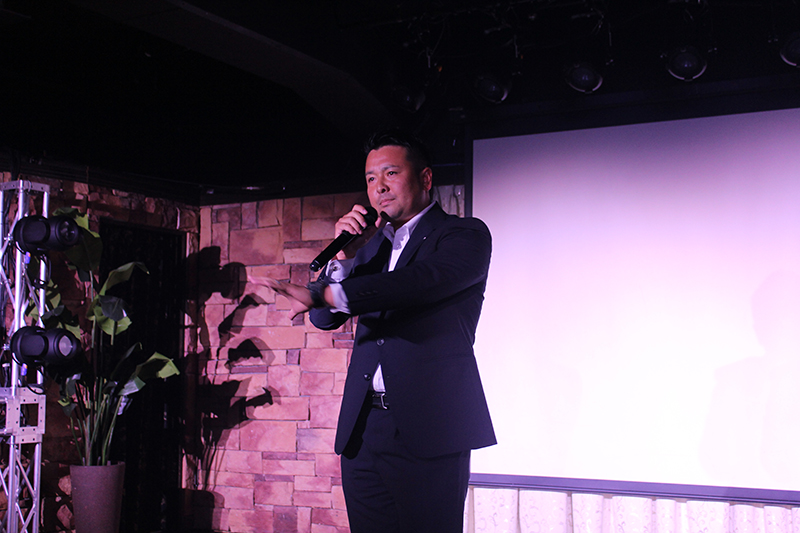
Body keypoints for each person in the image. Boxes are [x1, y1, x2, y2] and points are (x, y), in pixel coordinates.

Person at [259, 129, 495, 533]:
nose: (379, 187)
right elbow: (323, 319)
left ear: (425, 178)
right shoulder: (371, 247)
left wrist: (326, 294)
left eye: (390, 173)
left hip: (428, 429)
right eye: (370, 178)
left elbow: (416, 283)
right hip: (365, 429)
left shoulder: (463, 235)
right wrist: (347, 256)